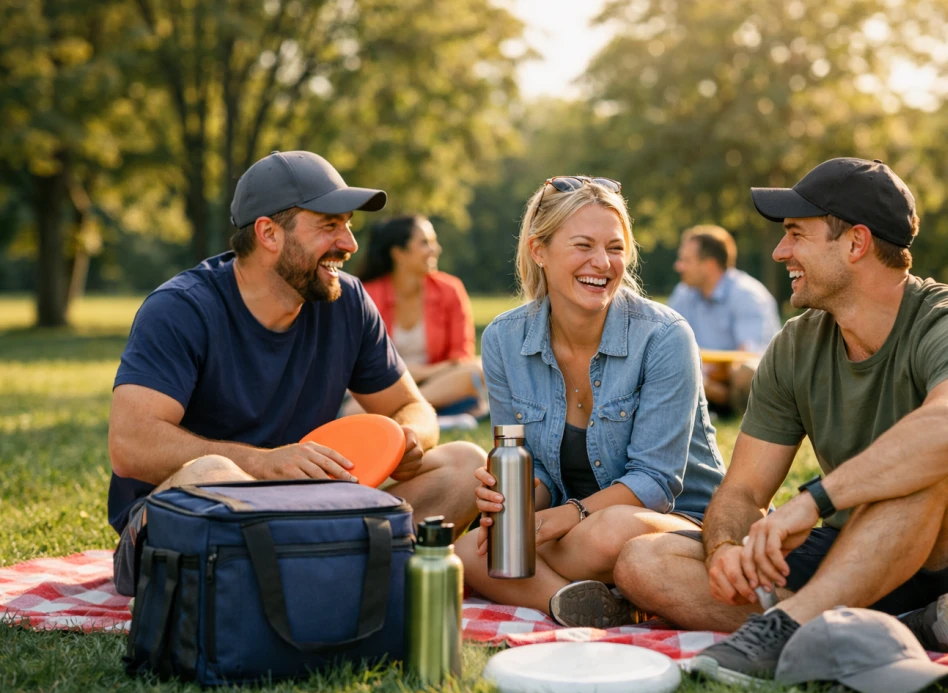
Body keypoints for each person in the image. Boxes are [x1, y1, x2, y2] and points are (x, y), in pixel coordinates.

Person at [614, 158, 948, 684]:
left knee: (933, 461)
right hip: (861, 551)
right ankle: (904, 628)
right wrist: (727, 548)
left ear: (856, 243)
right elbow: (742, 491)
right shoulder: (796, 345)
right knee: (644, 561)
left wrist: (815, 502)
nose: (781, 252)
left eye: (796, 235)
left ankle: (780, 634)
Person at [108, 150, 484, 595]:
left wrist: (405, 438)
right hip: (191, 517)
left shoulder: (347, 302)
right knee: (209, 471)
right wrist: (263, 464)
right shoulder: (181, 308)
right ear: (268, 232)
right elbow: (130, 444)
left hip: (310, 510)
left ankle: (315, 571)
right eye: (330, 225)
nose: (350, 244)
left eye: (348, 225)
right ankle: (334, 570)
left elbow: (411, 405)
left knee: (465, 465)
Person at [452, 176, 726, 628]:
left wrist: (565, 517)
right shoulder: (503, 338)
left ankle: (554, 581)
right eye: (583, 245)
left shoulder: (664, 337)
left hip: (674, 523)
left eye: (615, 249)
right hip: (570, 528)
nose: (602, 263)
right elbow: (533, 469)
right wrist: (513, 501)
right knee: (472, 552)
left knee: (607, 533)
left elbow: (655, 482)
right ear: (539, 250)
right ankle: (578, 602)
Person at [359, 215, 487, 416]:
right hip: (385, 384)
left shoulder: (450, 289)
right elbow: (362, 364)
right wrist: (408, 374)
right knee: (355, 404)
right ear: (399, 253)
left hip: (439, 381)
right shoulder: (366, 294)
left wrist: (421, 373)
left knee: (479, 369)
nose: (435, 249)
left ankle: (405, 411)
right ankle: (433, 413)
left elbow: (461, 355)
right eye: (425, 243)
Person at [667, 225, 780, 413]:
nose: (678, 266)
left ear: (709, 265)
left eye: (685, 260)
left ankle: (725, 409)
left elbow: (749, 356)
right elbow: (667, 342)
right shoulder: (683, 293)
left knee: (745, 372)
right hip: (703, 374)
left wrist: (700, 375)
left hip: (740, 381)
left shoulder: (747, 295)